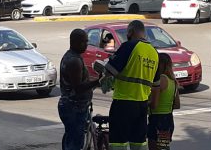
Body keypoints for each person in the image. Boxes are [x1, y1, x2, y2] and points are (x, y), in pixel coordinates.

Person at [105, 20, 161, 150]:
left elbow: (109, 70)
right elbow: (156, 85)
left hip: (123, 103)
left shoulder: (129, 46)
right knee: (139, 142)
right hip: (142, 105)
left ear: (130, 32)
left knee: (118, 142)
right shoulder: (154, 53)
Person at [58, 29, 102, 150]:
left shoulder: (73, 56)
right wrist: (98, 81)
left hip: (76, 107)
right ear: (75, 42)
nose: (86, 45)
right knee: (75, 143)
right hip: (73, 108)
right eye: (84, 42)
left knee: (74, 138)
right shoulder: (74, 61)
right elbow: (78, 88)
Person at [148, 53, 180, 150]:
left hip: (157, 119)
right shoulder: (173, 81)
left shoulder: (161, 79)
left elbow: (154, 104)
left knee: (154, 146)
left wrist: (144, 103)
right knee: (163, 147)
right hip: (168, 119)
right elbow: (177, 105)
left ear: (160, 64)